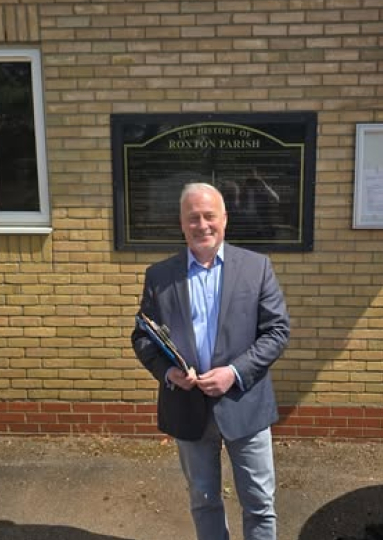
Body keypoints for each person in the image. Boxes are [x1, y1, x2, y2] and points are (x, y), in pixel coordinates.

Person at [131, 182, 290, 540]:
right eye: (193, 218)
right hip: (188, 408)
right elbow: (143, 336)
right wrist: (168, 372)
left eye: (209, 216)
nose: (202, 225)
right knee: (203, 501)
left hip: (245, 406)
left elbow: (277, 331)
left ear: (225, 219)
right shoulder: (160, 276)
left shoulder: (256, 268)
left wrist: (235, 373)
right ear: (182, 224)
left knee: (260, 504)